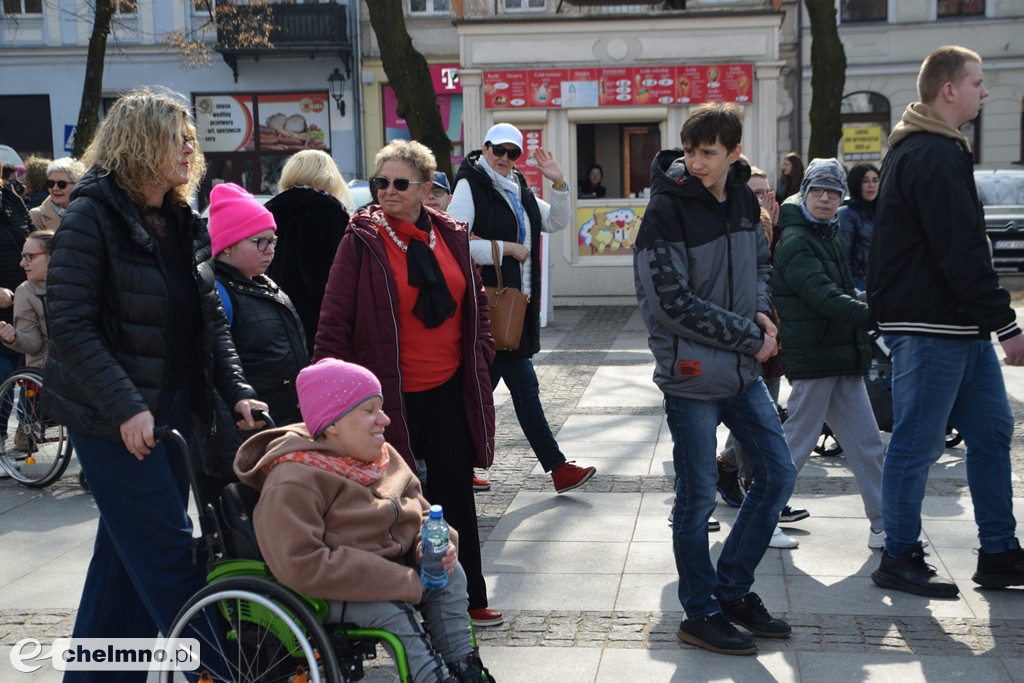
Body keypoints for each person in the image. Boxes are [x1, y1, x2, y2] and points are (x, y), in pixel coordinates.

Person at [41, 87, 268, 683]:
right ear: (142, 145)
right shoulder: (92, 214)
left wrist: (237, 389)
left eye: (191, 141)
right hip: (111, 417)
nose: (192, 152)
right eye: (180, 141)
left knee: (120, 569)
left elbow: (209, 322)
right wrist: (124, 408)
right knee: (170, 555)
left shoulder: (180, 220)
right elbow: (69, 324)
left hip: (168, 413)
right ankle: (221, 672)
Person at [314, 139, 501, 627]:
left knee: (454, 493)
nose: (387, 192)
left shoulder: (452, 235)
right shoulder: (362, 238)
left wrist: (480, 356)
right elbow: (334, 320)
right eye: (381, 183)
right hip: (386, 394)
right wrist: (328, 399)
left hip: (447, 386)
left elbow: (477, 309)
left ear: (425, 188)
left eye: (399, 183)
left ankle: (469, 596)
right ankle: (401, 597)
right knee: (391, 499)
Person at [634, 102, 796, 656]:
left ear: (733, 153)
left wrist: (762, 314)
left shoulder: (747, 201)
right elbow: (672, 303)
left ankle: (732, 590)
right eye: (691, 151)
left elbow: (761, 266)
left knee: (777, 473)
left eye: (709, 153)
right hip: (691, 374)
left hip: (742, 372)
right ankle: (699, 610)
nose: (697, 162)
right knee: (698, 496)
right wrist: (751, 336)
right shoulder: (666, 210)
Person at [867, 45, 1024, 598]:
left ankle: (1000, 553)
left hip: (953, 324)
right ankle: (899, 554)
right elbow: (959, 249)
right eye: (977, 82)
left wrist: (989, 322)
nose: (985, 91)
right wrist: (1006, 325)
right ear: (948, 89)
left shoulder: (936, 147)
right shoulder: (931, 152)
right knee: (916, 442)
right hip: (932, 324)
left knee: (990, 432)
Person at [235, 358, 493, 683]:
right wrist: (402, 583)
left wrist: (431, 544)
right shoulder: (294, 479)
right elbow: (302, 563)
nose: (384, 419)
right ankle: (434, 677)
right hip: (331, 589)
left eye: (381, 408)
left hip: (394, 570)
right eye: (369, 410)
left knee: (451, 575)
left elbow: (421, 509)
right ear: (332, 424)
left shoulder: (382, 457)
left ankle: (465, 669)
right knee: (394, 612)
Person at [449, 122, 597, 494]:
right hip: (488, 306)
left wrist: (560, 183)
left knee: (483, 391)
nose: (504, 158)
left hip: (513, 309)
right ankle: (558, 468)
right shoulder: (471, 185)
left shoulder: (519, 190)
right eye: (498, 150)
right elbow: (455, 240)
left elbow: (556, 221)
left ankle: (457, 463)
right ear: (484, 149)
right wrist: (505, 248)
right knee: (524, 390)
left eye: (512, 153)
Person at [771, 158, 886, 548]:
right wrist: (877, 315)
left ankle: (884, 524)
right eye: (818, 190)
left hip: (841, 358)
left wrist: (874, 303)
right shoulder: (797, 239)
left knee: (868, 444)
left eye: (833, 192)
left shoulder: (828, 232)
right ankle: (763, 520)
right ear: (805, 192)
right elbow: (823, 295)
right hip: (817, 359)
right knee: (796, 445)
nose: (825, 198)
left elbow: (844, 292)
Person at [715, 162, 801, 550]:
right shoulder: (735, 223)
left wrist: (776, 228)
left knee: (761, 421)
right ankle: (757, 503)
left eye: (769, 192)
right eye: (756, 192)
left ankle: (732, 476)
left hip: (770, 338)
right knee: (755, 427)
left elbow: (774, 273)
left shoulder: (770, 226)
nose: (765, 198)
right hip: (742, 343)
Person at [200, 182, 307, 487]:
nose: (271, 249)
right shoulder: (217, 291)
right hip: (248, 434)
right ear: (228, 245)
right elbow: (217, 368)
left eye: (273, 241)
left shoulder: (263, 283)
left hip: (281, 425)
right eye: (260, 241)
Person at [265, 149, 352, 358]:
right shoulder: (323, 210)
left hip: (274, 322)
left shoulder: (272, 210)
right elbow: (322, 279)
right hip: (314, 328)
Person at [0, 230, 52, 370]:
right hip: (45, 374)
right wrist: (13, 338)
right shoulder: (25, 291)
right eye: (22, 256)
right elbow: (33, 344)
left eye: (29, 257)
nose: (22, 263)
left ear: (52, 256)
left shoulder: (81, 283)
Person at [837, 163, 880, 291]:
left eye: (875, 180)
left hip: (881, 282)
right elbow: (844, 257)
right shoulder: (846, 213)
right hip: (859, 284)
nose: (871, 185)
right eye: (865, 181)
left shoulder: (883, 211)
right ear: (856, 183)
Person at [29, 157, 87, 231]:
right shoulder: (37, 216)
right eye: (51, 183)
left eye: (61, 184)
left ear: (77, 184)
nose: (55, 188)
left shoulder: (91, 211)